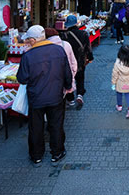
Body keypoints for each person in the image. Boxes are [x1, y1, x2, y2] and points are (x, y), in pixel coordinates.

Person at [17, 25, 72, 166]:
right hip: (56, 96)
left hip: (36, 97)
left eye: (28, 39)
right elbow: (67, 72)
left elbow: (22, 78)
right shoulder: (58, 50)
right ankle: (57, 152)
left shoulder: (28, 56)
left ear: (34, 40)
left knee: (36, 127)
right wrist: (68, 86)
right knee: (56, 124)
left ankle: (36, 155)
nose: (27, 42)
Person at [61, 15, 94, 110]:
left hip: (68, 61)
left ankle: (70, 100)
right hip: (80, 60)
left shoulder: (64, 35)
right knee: (80, 77)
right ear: (76, 23)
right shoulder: (84, 34)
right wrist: (90, 58)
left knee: (69, 79)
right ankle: (79, 95)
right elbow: (88, 47)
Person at [45, 28, 77, 100]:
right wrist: (72, 75)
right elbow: (73, 62)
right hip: (67, 75)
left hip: (52, 78)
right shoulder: (66, 44)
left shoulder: (45, 48)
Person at [111, 45, 129, 119]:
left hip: (120, 83)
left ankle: (119, 106)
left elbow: (115, 74)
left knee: (119, 94)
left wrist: (113, 83)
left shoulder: (117, 63)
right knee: (128, 95)